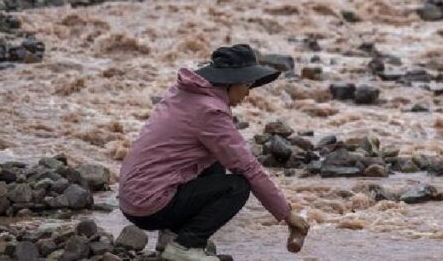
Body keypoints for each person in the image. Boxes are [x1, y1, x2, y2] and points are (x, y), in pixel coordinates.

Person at [119, 44, 309, 261]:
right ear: (230, 82)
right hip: (149, 204)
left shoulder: (185, 93)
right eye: (247, 84)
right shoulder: (210, 111)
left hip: (132, 196)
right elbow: (248, 167)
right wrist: (286, 214)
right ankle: (184, 246)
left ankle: (170, 238)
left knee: (215, 162)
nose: (248, 92)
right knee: (238, 186)